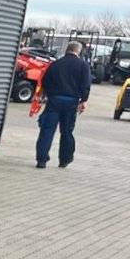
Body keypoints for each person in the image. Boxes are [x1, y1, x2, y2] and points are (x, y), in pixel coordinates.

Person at [35, 41, 92, 169]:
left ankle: (41, 160)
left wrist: (48, 95)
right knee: (67, 131)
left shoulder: (55, 64)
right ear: (79, 51)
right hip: (71, 102)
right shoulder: (83, 66)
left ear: (67, 50)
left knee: (47, 130)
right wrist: (83, 100)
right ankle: (64, 159)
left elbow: (45, 81)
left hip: (54, 101)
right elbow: (85, 84)